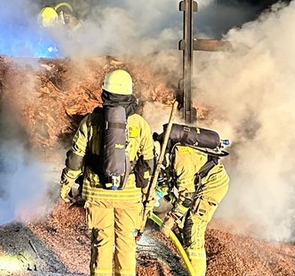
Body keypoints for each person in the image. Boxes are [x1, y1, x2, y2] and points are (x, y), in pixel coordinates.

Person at [59, 69, 155, 276]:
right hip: (129, 195)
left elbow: (76, 158)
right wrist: (149, 195)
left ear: (104, 93)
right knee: (126, 242)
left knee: (102, 240)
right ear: (129, 95)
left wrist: (66, 184)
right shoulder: (140, 124)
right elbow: (148, 163)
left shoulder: (90, 122)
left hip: (97, 192)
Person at [158, 135, 230, 276]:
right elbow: (165, 183)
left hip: (213, 185)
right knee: (186, 222)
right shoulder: (169, 152)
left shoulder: (180, 160)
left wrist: (170, 220)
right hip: (201, 183)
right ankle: (187, 255)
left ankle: (195, 272)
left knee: (194, 226)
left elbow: (186, 197)